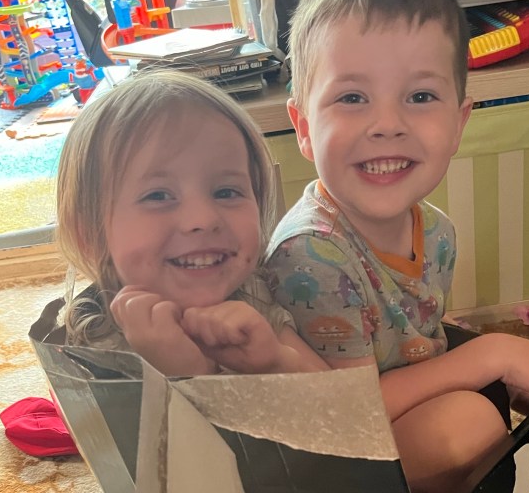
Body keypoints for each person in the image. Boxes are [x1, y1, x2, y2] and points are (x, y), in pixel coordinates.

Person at [266, 0, 529, 493]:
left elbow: (416, 348)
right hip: (327, 461)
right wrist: (493, 356)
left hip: (390, 419)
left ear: (459, 122)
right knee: (471, 425)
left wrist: (503, 368)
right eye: (352, 98)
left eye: (420, 97)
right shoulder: (311, 256)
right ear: (302, 127)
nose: (387, 124)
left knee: (524, 392)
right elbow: (345, 417)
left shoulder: (438, 233)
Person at [56, 68, 326, 377]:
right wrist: (190, 376)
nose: (203, 219)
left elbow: (345, 401)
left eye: (226, 192)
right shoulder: (93, 348)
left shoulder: (256, 297)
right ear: (89, 235)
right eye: (158, 196)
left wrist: (277, 362)